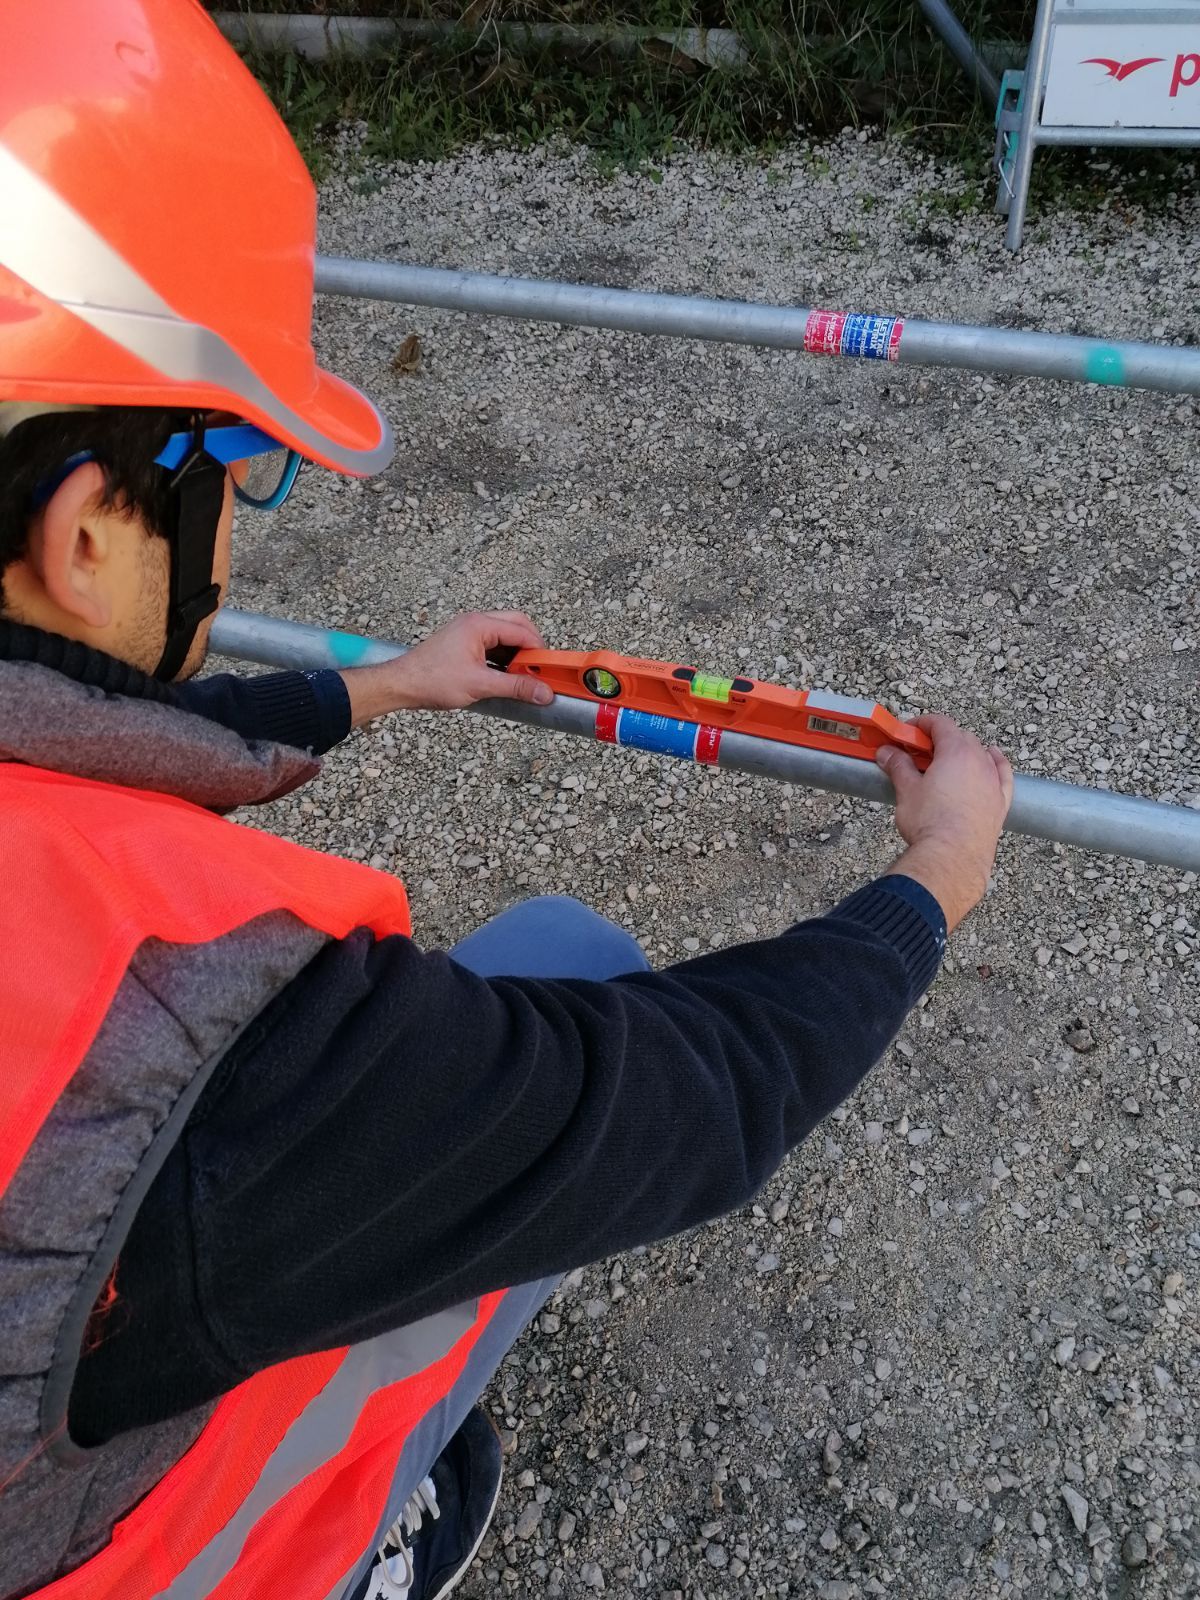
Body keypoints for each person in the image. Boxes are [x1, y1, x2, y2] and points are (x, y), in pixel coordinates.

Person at [0, 4, 1013, 1598]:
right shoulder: (212, 1048)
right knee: (568, 974)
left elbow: (56, 737)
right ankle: (356, 1547)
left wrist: (380, 688)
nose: (239, 536)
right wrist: (934, 877)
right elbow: (685, 1099)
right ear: (81, 539)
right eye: (236, 474)